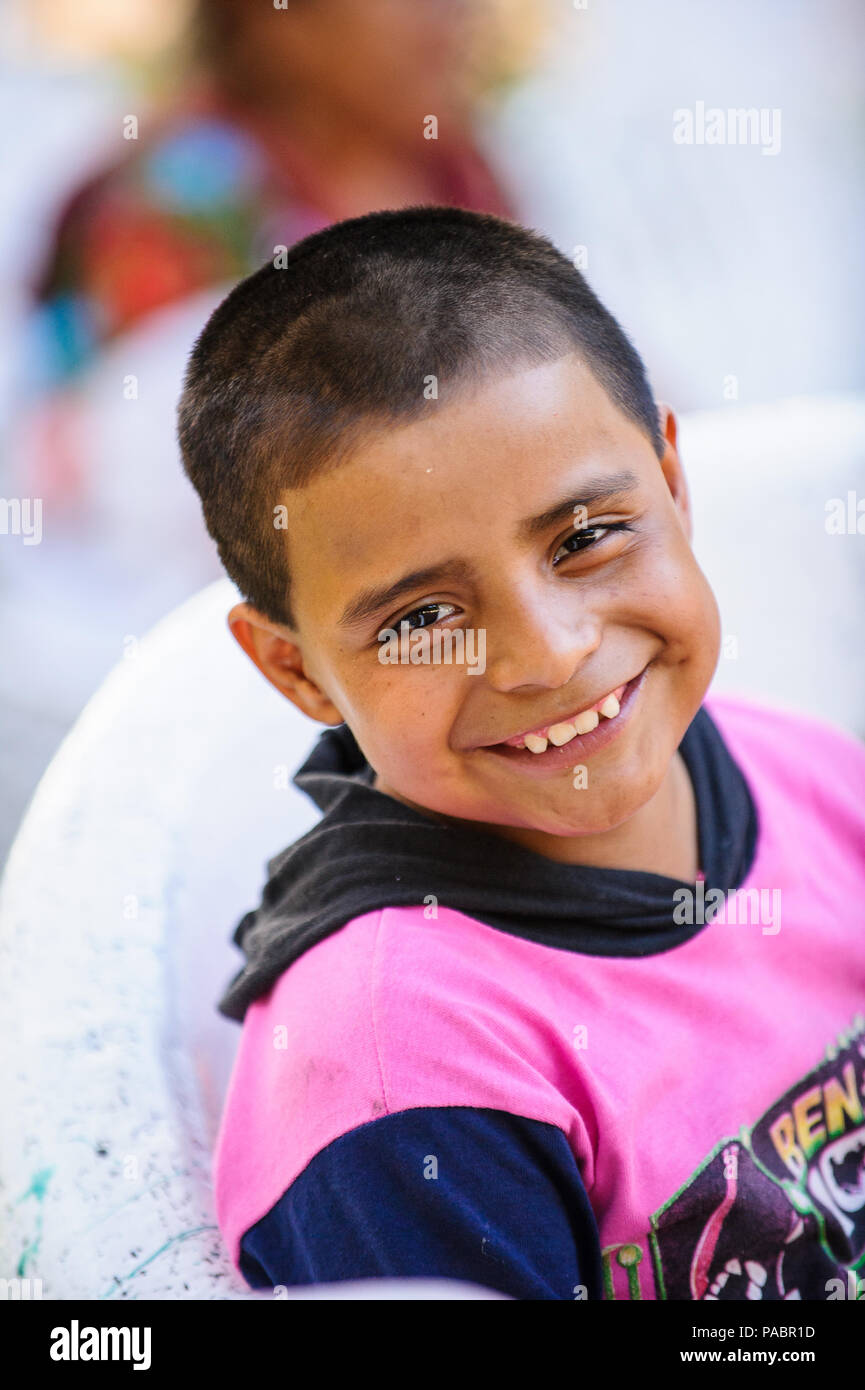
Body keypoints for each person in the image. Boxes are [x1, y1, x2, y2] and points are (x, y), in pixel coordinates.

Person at [177, 207, 865, 1301]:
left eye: (586, 536)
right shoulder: (396, 1082)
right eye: (422, 618)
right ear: (296, 670)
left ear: (673, 484)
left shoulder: (811, 779)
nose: (549, 654)